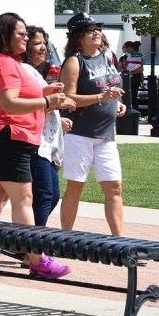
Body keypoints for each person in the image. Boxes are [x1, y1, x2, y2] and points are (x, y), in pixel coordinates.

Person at [0, 12, 73, 278]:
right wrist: (47, 103)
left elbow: (10, 97)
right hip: (6, 135)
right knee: (24, 199)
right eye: (20, 33)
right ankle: (36, 258)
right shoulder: (6, 63)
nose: (26, 37)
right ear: (5, 37)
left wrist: (46, 91)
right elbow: (9, 103)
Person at [59, 13, 128, 236]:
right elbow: (68, 98)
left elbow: (111, 86)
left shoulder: (108, 56)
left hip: (106, 136)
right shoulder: (74, 61)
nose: (96, 32)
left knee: (114, 188)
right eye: (90, 30)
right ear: (78, 36)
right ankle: (66, 237)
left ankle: (120, 241)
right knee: (76, 187)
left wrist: (118, 102)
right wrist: (102, 98)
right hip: (80, 134)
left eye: (98, 28)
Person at [22, 25, 72, 227]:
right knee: (44, 196)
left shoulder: (35, 72)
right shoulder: (24, 71)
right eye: (37, 43)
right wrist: (57, 103)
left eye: (44, 43)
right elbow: (22, 106)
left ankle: (27, 245)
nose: (43, 48)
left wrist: (57, 120)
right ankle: (34, 249)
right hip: (35, 143)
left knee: (51, 196)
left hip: (48, 142)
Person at [119, 40, 144, 110]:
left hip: (133, 79)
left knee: (132, 96)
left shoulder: (137, 56)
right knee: (129, 96)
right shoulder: (123, 57)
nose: (122, 48)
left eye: (124, 47)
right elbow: (119, 68)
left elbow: (141, 69)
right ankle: (128, 111)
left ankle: (133, 111)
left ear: (129, 48)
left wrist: (128, 72)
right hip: (130, 78)